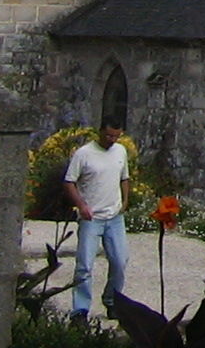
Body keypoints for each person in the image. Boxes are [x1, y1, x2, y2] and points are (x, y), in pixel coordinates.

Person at [63, 122, 131, 319]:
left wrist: (125, 201)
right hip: (91, 217)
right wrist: (81, 205)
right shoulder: (84, 154)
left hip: (114, 217)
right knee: (85, 264)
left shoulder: (120, 151)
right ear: (101, 132)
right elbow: (69, 182)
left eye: (116, 136)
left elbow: (124, 178)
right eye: (109, 136)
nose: (112, 140)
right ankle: (80, 309)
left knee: (120, 260)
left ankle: (112, 301)